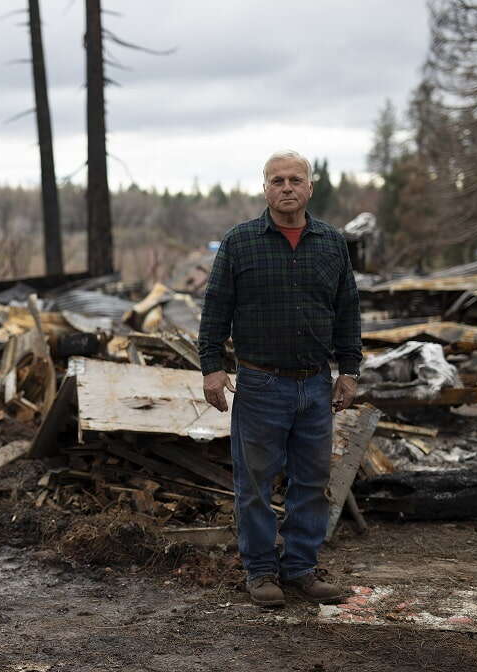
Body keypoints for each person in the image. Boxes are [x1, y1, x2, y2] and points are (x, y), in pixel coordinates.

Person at [198, 149, 362, 607]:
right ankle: (261, 572)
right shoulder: (240, 242)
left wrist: (349, 370)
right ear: (265, 187)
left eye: (295, 179)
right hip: (260, 384)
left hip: (315, 384)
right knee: (254, 484)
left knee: (310, 482)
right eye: (277, 180)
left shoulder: (331, 243)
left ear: (310, 187)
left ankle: (301, 568)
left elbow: (348, 310)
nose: (286, 187)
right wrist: (212, 367)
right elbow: (215, 309)